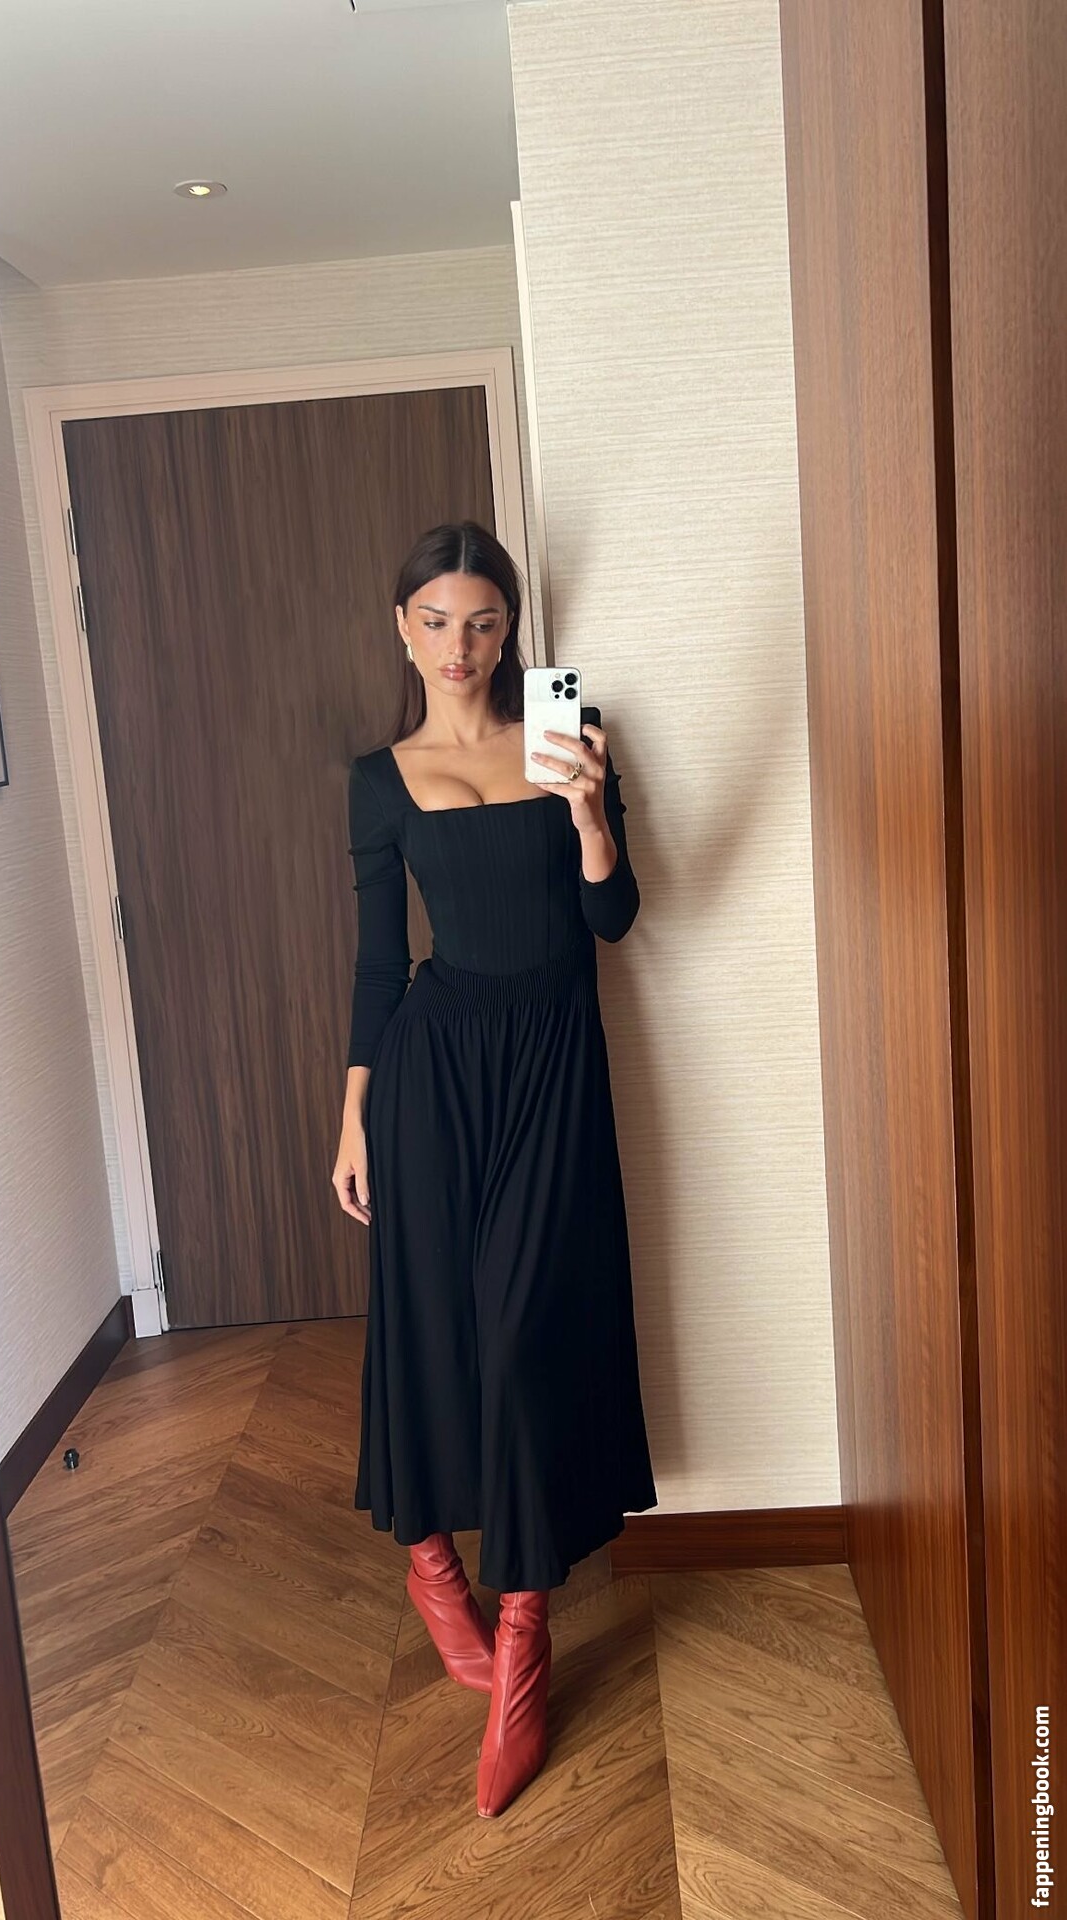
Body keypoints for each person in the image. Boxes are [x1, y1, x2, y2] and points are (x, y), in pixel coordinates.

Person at [332, 520, 657, 1819]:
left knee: (523, 1340)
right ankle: (430, 1561)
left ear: (509, 629)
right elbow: (377, 965)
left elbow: (614, 919)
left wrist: (589, 817)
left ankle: (524, 1633)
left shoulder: (569, 728)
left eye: (481, 622)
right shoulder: (378, 779)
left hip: (553, 1065)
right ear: (402, 630)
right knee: (427, 1328)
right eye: (435, 622)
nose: (458, 646)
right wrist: (354, 1117)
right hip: (432, 1072)